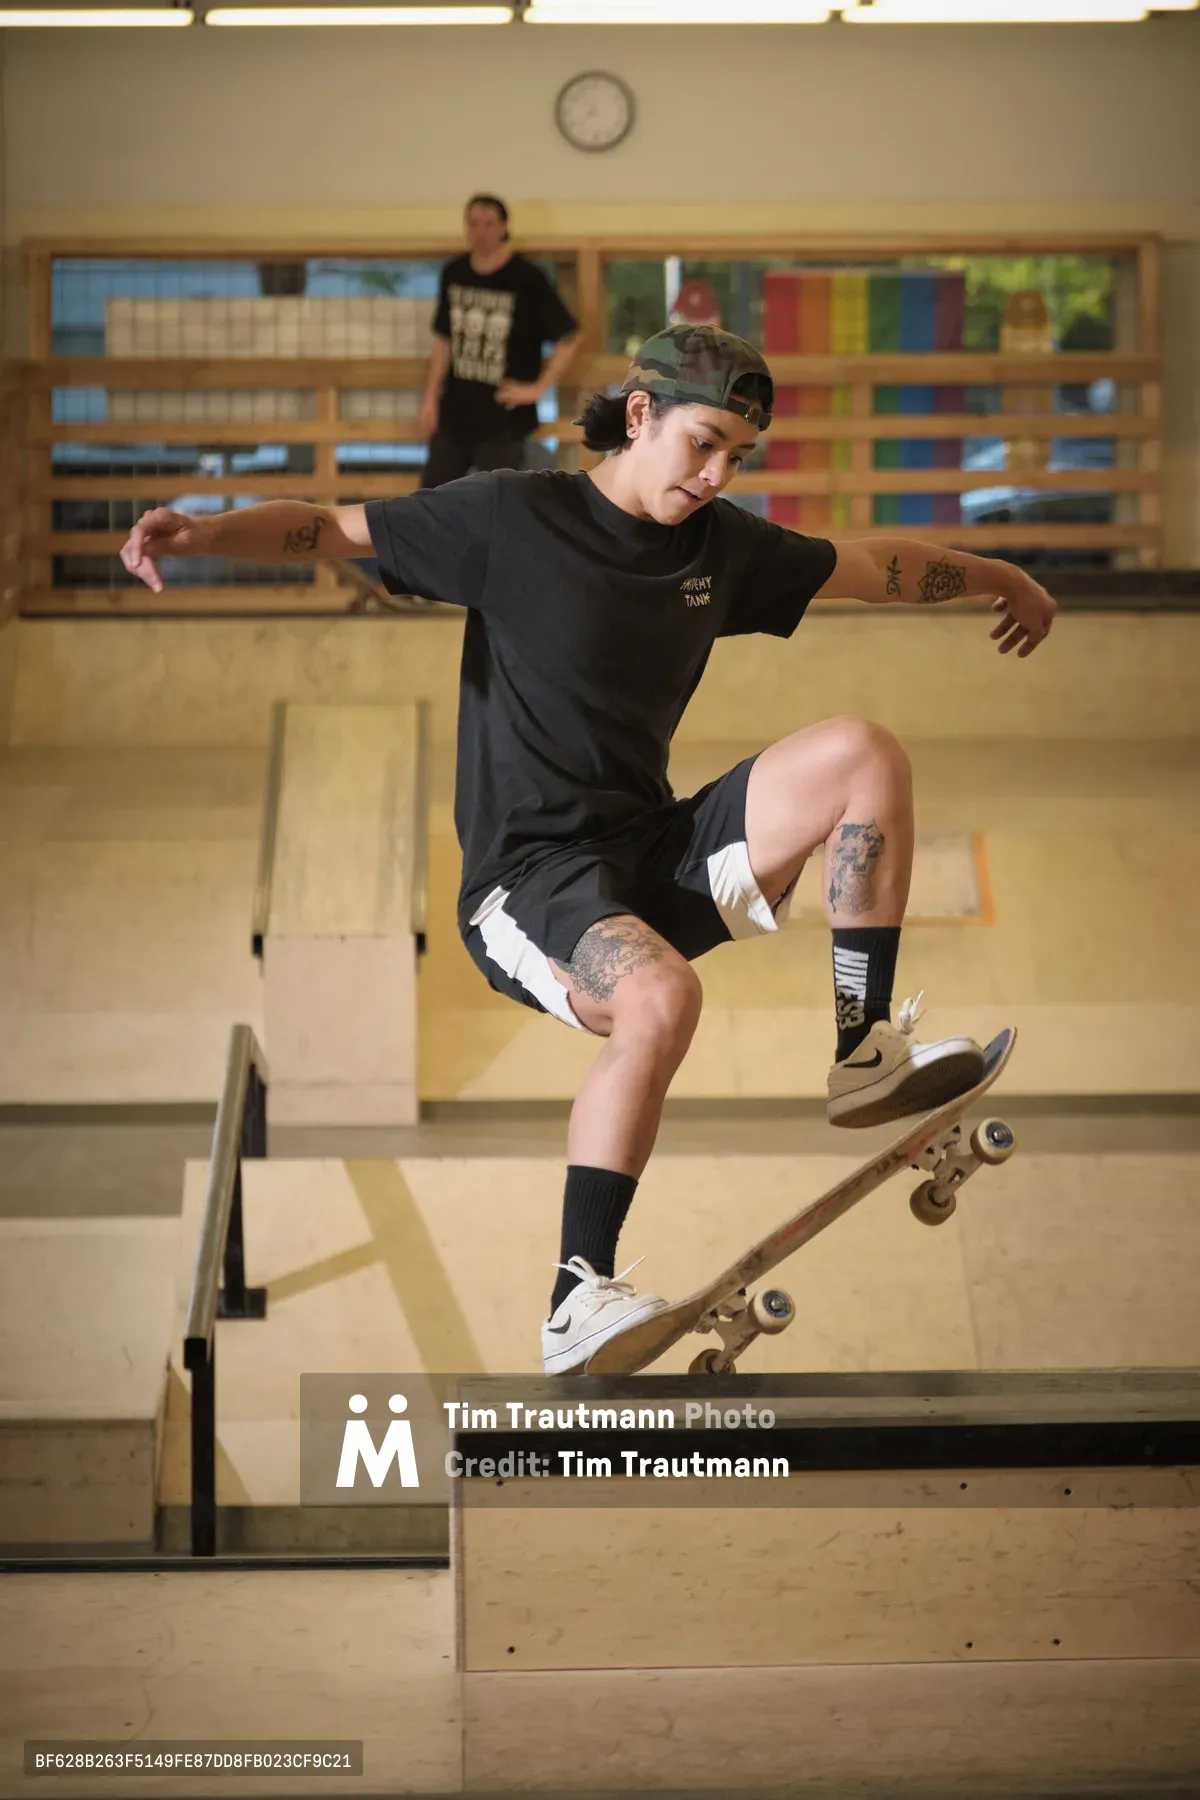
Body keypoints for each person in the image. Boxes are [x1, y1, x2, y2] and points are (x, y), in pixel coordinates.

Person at [119, 323, 1057, 1379]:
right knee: (663, 1001)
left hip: (650, 849)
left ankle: (861, 1047)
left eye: (738, 458)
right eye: (703, 444)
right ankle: (578, 1296)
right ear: (641, 413)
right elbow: (325, 532)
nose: (715, 477)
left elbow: (874, 567)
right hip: (529, 880)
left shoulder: (722, 547)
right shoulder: (509, 519)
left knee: (863, 755)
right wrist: (200, 535)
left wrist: (995, 572)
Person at [418, 194, 581, 487]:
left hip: (503, 417)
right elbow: (443, 339)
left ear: (504, 227)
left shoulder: (526, 278)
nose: (480, 231)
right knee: (432, 498)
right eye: (473, 223)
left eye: (489, 224)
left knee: (502, 502)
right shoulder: (454, 273)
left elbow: (570, 335)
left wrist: (538, 389)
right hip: (455, 411)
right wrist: (430, 397)